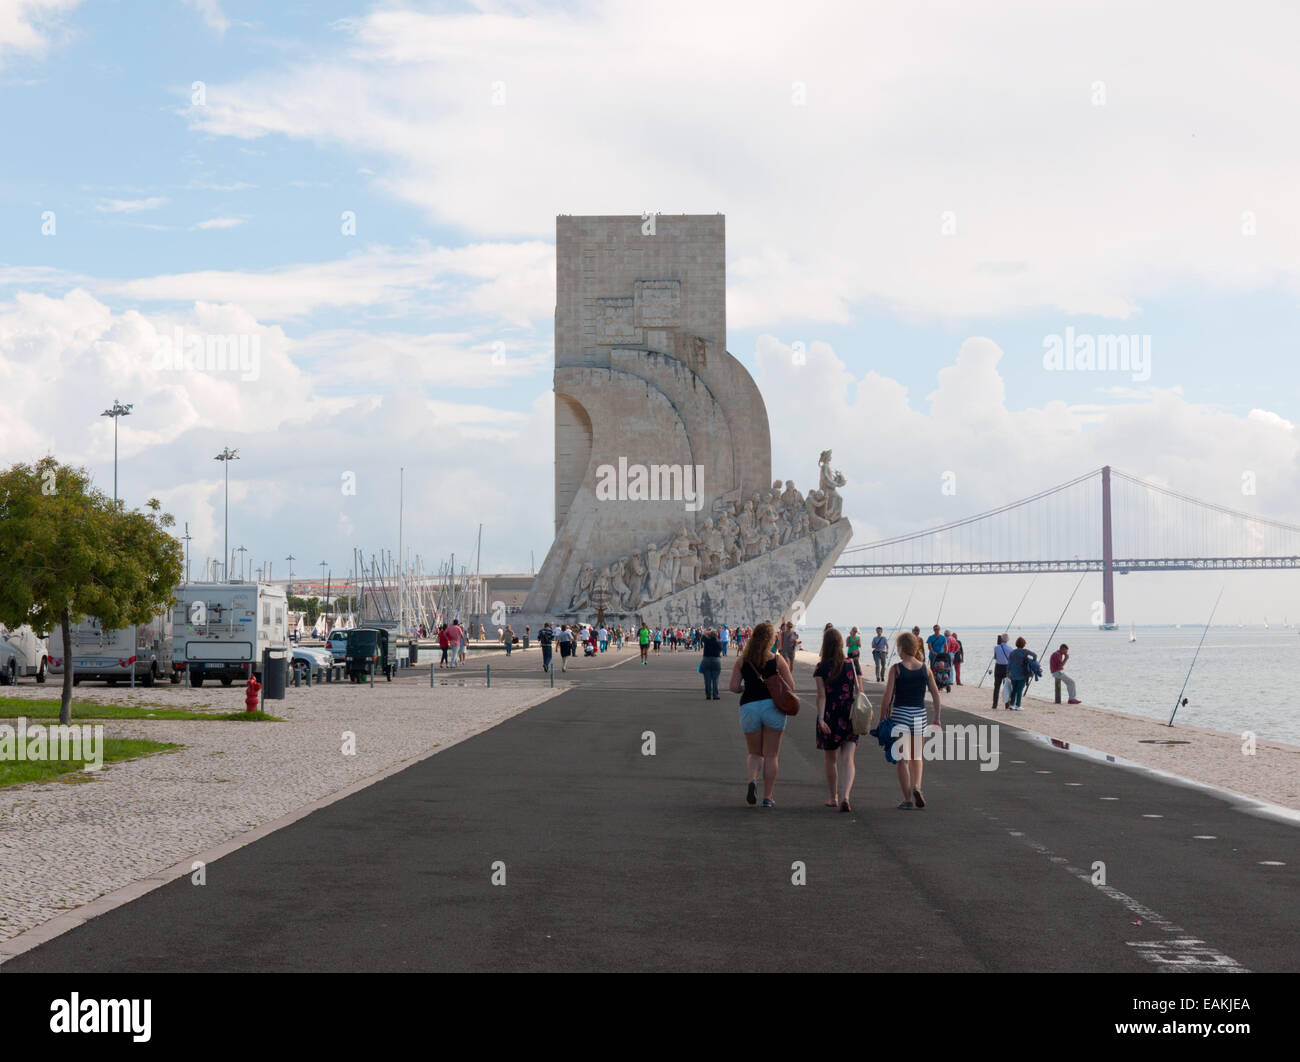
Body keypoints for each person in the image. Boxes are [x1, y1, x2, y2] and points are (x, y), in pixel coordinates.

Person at [728, 620, 794, 808]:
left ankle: (752, 781)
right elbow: (791, 686)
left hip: (749, 706)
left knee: (754, 753)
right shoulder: (777, 659)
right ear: (770, 639)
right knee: (772, 755)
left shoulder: (743, 660)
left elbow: (732, 686)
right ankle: (768, 797)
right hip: (773, 707)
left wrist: (744, 688)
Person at [880, 631, 942, 809]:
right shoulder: (925, 668)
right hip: (919, 715)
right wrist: (936, 717)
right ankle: (917, 786)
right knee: (917, 756)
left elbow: (887, 695)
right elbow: (936, 695)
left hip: (900, 715)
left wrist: (882, 716)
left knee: (902, 759)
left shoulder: (896, 669)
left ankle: (907, 799)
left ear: (901, 648)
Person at [815, 627, 860, 812]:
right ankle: (846, 796)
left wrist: (820, 718)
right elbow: (859, 691)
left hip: (830, 714)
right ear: (842, 644)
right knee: (848, 758)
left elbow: (821, 696)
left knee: (830, 759)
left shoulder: (821, 667)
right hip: (849, 714)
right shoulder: (852, 664)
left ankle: (833, 797)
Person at [1007, 636, 1037, 710]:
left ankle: (1011, 704)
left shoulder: (1012, 652)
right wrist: (1032, 662)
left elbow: (1009, 664)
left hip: (1013, 674)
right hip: (1022, 674)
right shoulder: (1025, 651)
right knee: (1020, 690)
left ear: (1016, 644)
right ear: (1024, 644)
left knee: (1014, 689)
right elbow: (1035, 655)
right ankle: (1018, 705)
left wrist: (1007, 672)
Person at [700, 628, 723, 700]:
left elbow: (703, 635)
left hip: (706, 659)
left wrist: (707, 632)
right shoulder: (719, 642)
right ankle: (715, 695)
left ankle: (708, 695)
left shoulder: (707, 641)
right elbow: (721, 649)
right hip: (716, 660)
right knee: (715, 679)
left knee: (707, 679)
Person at [992, 633, 1013, 709]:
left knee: (996, 687)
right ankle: (1007, 704)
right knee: (1006, 686)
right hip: (1006, 668)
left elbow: (995, 657)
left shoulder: (996, 647)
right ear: (1007, 640)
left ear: (1001, 639)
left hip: (998, 667)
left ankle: (995, 704)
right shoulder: (1010, 648)